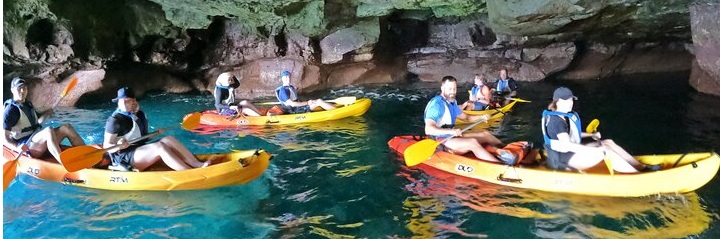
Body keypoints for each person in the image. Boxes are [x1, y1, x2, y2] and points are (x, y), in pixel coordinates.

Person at [541, 87, 659, 173]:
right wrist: (596, 151)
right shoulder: (556, 122)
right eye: (567, 100)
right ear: (558, 101)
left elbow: (572, 135)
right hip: (563, 160)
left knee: (608, 142)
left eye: (571, 100)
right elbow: (569, 146)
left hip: (569, 154)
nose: (571, 103)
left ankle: (641, 167)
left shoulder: (562, 116)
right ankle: (637, 176)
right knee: (606, 151)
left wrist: (591, 135)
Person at [104, 87, 210, 171]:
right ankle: (188, 172)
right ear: (118, 102)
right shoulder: (114, 121)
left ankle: (196, 164)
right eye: (122, 101)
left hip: (140, 149)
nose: (124, 104)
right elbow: (106, 146)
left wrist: (155, 133)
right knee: (159, 147)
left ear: (133, 101)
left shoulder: (139, 114)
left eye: (128, 101)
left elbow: (141, 137)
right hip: (124, 157)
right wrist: (118, 146)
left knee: (168, 139)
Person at [424, 76, 517, 164]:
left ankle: (509, 151)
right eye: (449, 89)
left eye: (454, 88)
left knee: (485, 134)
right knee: (472, 142)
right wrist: (452, 131)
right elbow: (428, 129)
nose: (453, 92)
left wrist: (482, 117)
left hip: (451, 136)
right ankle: (500, 166)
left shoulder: (451, 102)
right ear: (442, 88)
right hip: (440, 141)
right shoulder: (437, 105)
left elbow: (467, 118)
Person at [3, 77, 85, 162]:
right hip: (28, 147)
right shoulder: (10, 110)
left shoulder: (28, 105)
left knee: (66, 127)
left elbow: (38, 122)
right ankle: (63, 162)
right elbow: (4, 138)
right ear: (12, 90)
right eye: (19, 88)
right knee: (48, 130)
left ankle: (85, 153)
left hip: (37, 141)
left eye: (24, 88)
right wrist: (17, 147)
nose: (22, 91)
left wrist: (47, 113)